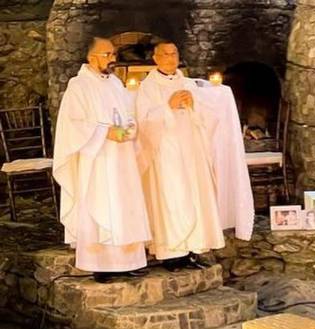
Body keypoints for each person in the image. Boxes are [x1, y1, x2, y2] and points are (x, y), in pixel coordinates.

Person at [52, 37, 151, 283]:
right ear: (91, 57)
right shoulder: (79, 86)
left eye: (113, 53)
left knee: (124, 206)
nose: (112, 58)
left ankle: (129, 261)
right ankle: (101, 264)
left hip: (122, 158)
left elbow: (129, 113)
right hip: (96, 160)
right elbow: (72, 124)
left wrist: (130, 127)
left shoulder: (116, 84)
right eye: (106, 54)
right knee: (101, 206)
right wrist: (104, 132)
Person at [135, 41, 225, 270]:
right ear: (155, 58)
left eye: (174, 53)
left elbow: (210, 117)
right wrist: (168, 106)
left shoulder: (188, 83)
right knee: (171, 200)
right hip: (165, 152)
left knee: (194, 196)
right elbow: (142, 122)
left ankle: (192, 250)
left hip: (190, 150)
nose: (170, 57)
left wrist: (194, 105)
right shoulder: (148, 87)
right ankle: (171, 254)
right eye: (164, 54)